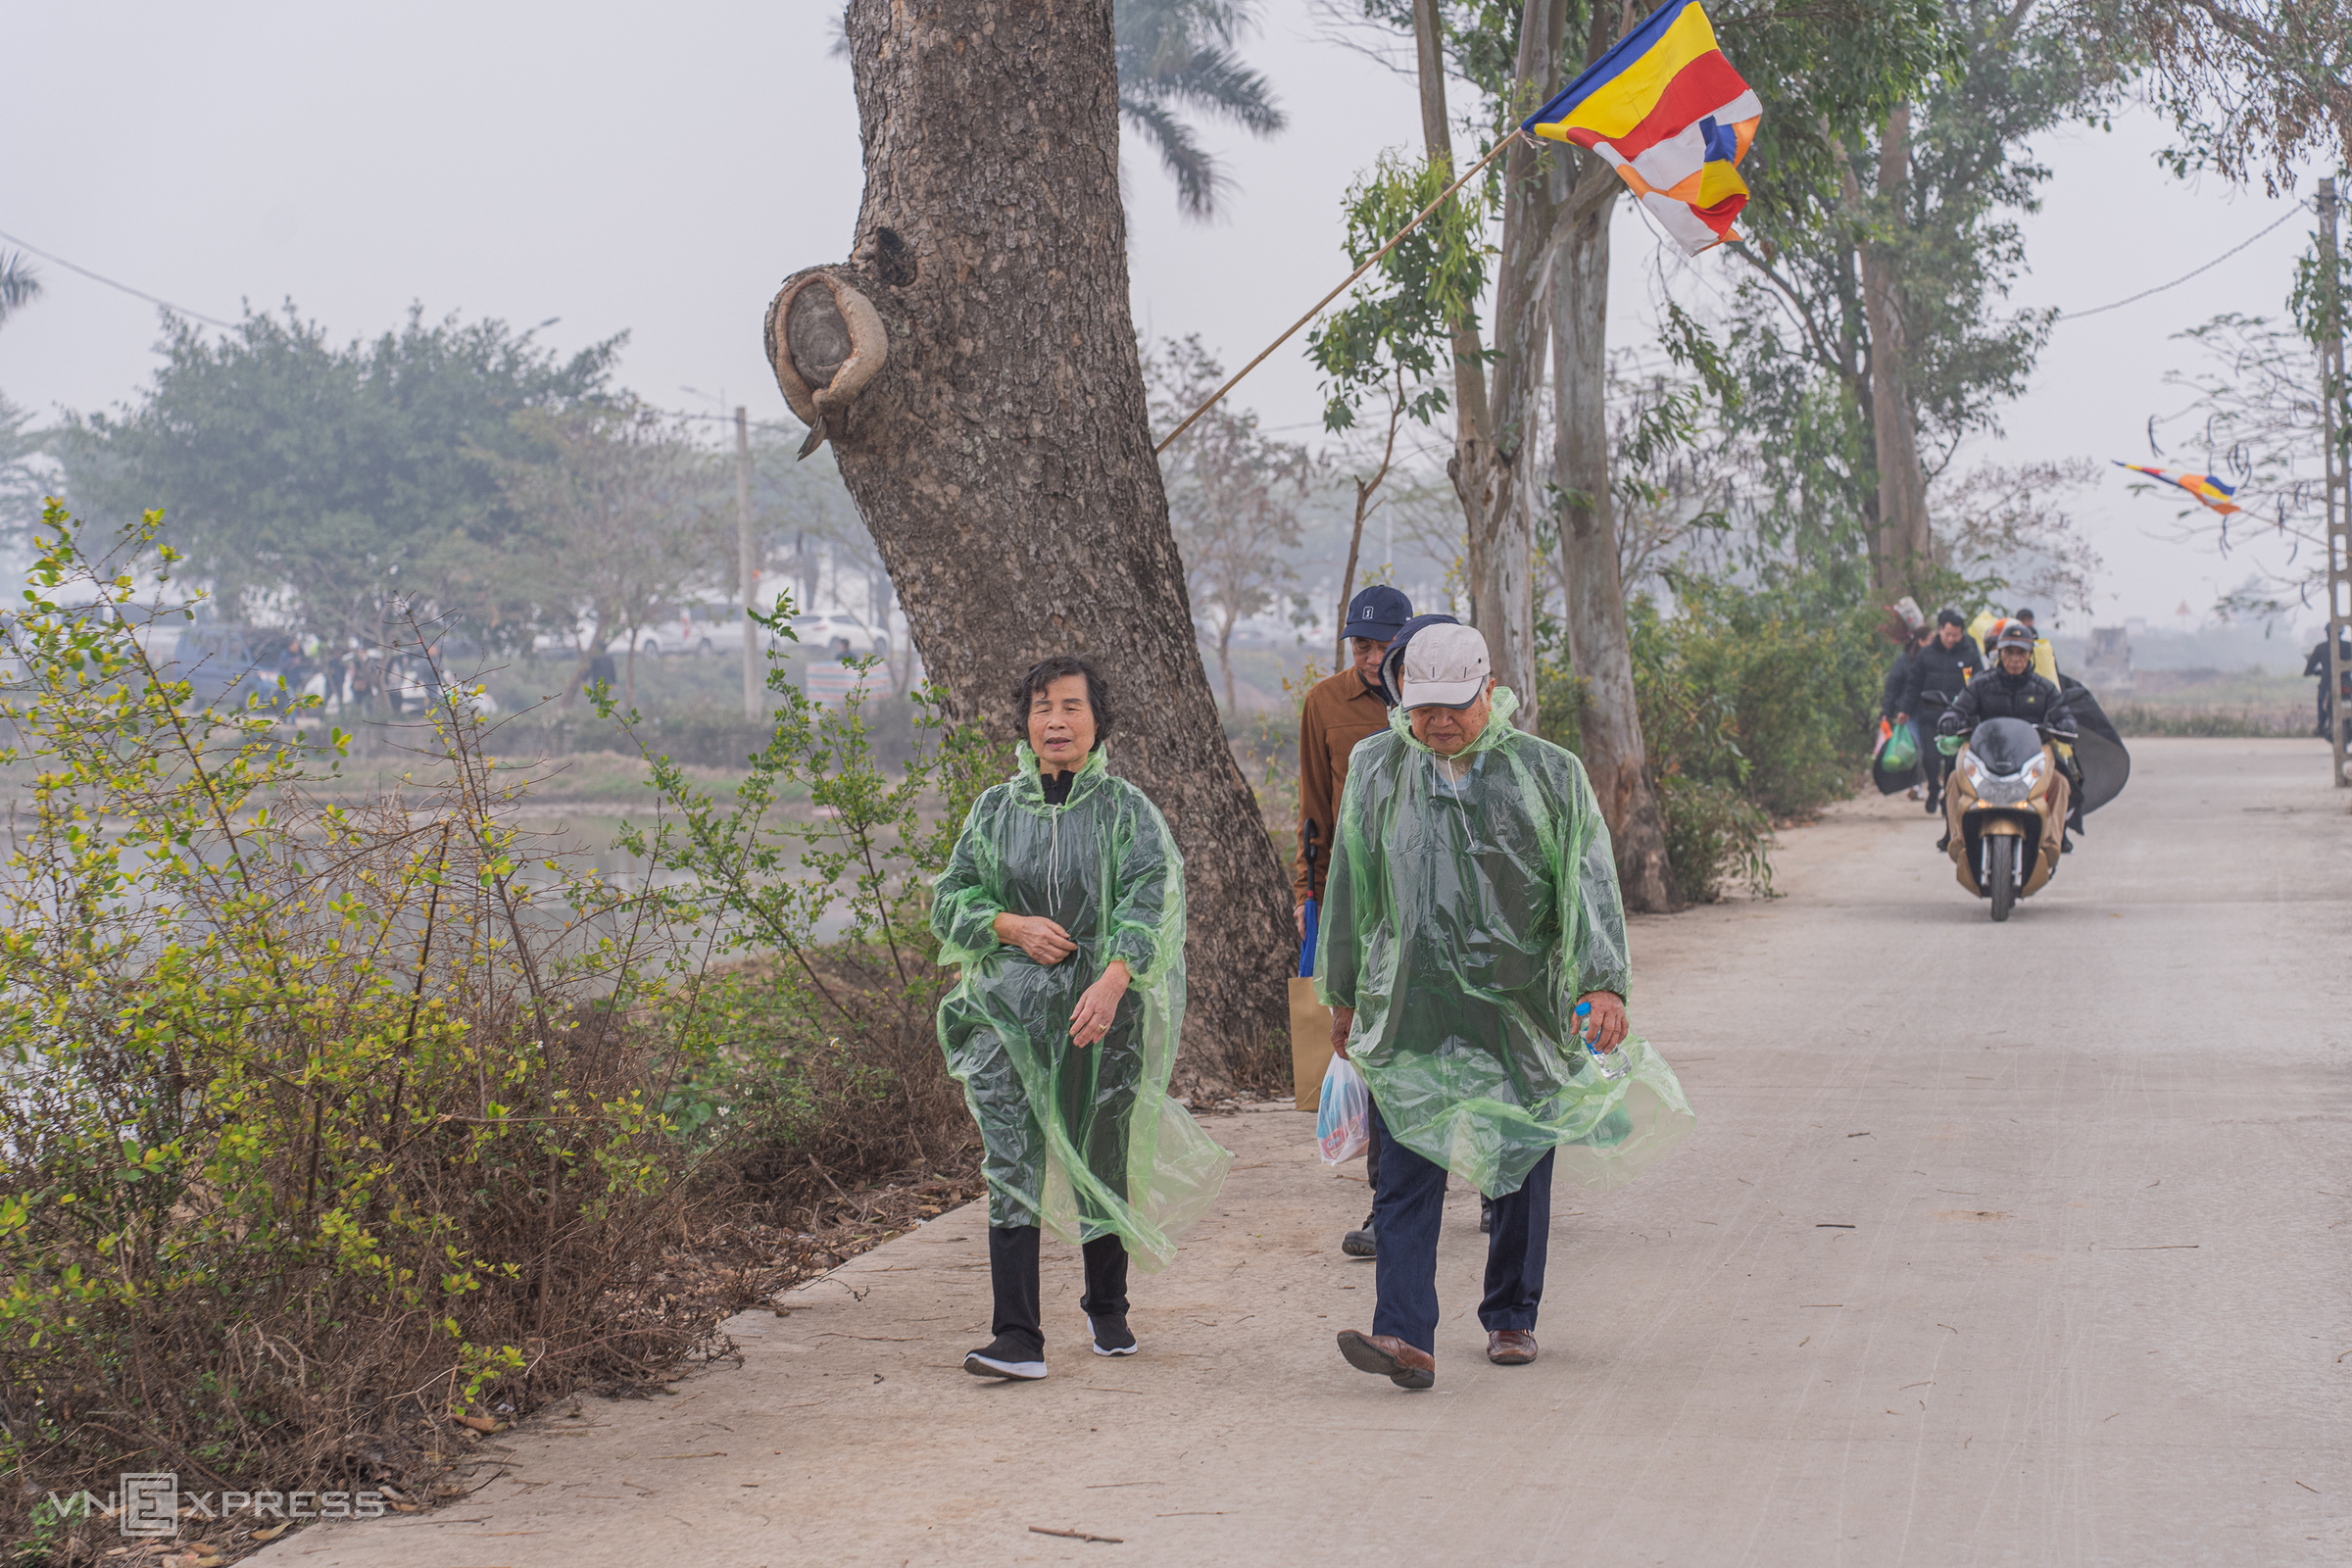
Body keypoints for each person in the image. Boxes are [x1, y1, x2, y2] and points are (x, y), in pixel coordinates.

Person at [1316, 624, 1693, 1389]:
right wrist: (1344, 992)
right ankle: (1403, 1335)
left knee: (1518, 1156)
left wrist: (1602, 981)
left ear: (1490, 690)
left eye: (1455, 706)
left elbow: (1586, 881)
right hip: (1409, 1002)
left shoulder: (1544, 773)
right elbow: (1350, 882)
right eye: (1424, 710)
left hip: (1518, 1004)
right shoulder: (1378, 768)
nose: (1440, 724)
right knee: (1406, 1171)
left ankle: (1512, 1312)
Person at [931, 655, 1231, 1382]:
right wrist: (1008, 925)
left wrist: (1113, 979)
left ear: (1098, 723)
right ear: (1024, 723)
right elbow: (950, 898)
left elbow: (1149, 902)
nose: (1055, 721)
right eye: (1041, 708)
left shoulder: (1127, 811)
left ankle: (1107, 1306)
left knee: (1100, 1150)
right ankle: (1017, 1336)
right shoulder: (995, 811)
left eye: (1070, 707)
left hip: (1102, 1018)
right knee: (1011, 1160)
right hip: (1005, 1018)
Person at [1296, 585, 1412, 1258]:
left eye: (1380, 646)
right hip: (1362, 899)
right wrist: (1309, 895)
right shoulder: (1326, 704)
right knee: (1372, 1050)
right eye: (1360, 646)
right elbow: (1315, 806)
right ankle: (1385, 1208)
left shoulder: (1437, 695)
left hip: (1441, 900)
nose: (1370, 658)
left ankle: (1493, 1186)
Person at [1937, 622, 2079, 850]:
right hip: (1987, 759)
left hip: (2032, 761)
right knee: (1954, 779)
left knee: (2061, 783)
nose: (2015, 659)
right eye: (2009, 652)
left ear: (2030, 655)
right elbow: (1958, 709)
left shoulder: (2045, 689)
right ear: (1999, 654)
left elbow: (2063, 714)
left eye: (2021, 653)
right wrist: (1949, 720)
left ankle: (2053, 841)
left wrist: (2066, 725)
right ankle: (1957, 839)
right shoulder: (1981, 684)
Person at [1898, 610, 1982, 813]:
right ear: (1940, 630)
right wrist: (1905, 710)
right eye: (1948, 634)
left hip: (1958, 718)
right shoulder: (1927, 654)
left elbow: (1977, 684)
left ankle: (1948, 796)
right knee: (1930, 758)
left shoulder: (1969, 655)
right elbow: (1914, 684)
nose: (1952, 639)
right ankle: (1934, 788)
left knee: (1953, 762)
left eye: (1956, 635)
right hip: (1930, 715)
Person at [2307, 629, 2352, 740]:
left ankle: (2321, 724)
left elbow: (2310, 667)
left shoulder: (2320, 647)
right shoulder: (2348, 646)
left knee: (2322, 701)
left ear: (2327, 633)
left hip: (2327, 683)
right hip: (2346, 682)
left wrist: (2310, 671)